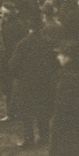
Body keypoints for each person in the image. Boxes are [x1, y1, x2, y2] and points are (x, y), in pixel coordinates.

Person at [8, 17, 57, 148]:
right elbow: (56, 63)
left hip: (27, 82)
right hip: (45, 81)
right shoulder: (49, 42)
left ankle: (29, 139)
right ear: (42, 27)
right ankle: (44, 136)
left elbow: (13, 65)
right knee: (43, 109)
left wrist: (19, 76)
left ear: (29, 28)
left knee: (26, 111)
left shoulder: (23, 43)